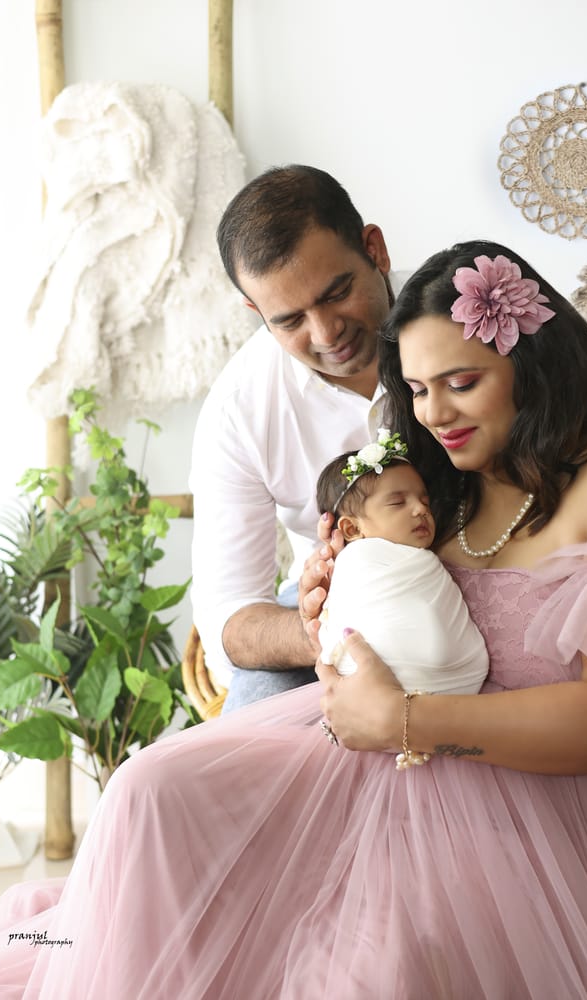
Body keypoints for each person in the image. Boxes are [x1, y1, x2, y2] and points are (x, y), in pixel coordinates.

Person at [0, 241, 587, 999]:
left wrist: (407, 720)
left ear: (529, 366)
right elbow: (367, 607)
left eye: (462, 382)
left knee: (361, 963)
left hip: (560, 794)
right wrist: (330, 598)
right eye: (418, 389)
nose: (436, 413)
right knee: (148, 791)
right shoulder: (444, 481)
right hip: (399, 754)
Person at [190, 163, 400, 711]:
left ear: (373, 250)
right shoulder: (238, 409)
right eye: (289, 320)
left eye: (337, 293)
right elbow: (230, 619)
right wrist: (319, 627)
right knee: (244, 749)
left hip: (485, 574)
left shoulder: (465, 324)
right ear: (255, 312)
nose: (326, 333)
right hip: (329, 613)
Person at [315, 429, 488, 710]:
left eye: (425, 501)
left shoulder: (423, 561)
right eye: (397, 502)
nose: (420, 510)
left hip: (453, 692)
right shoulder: (358, 560)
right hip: (378, 689)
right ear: (352, 528)